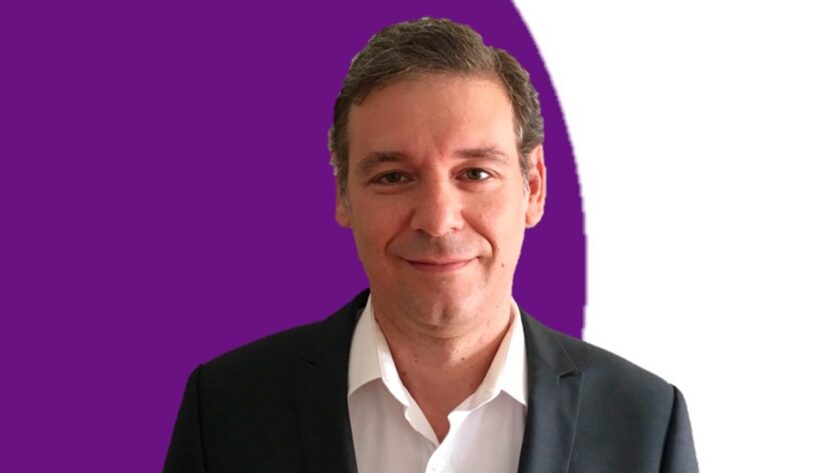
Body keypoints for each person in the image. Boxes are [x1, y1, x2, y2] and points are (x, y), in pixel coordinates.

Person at [163, 17, 698, 473]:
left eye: (475, 173)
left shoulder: (646, 423)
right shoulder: (226, 410)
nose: (439, 222)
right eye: (394, 177)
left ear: (533, 187)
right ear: (343, 194)